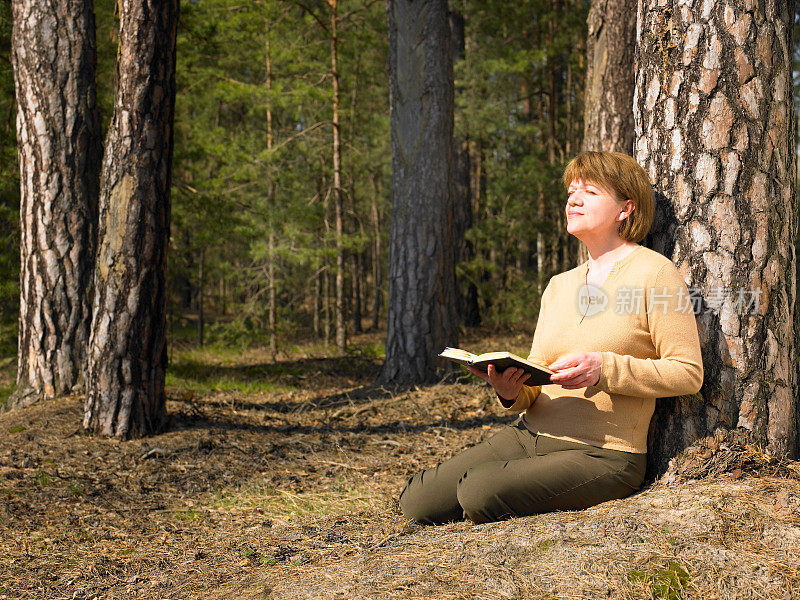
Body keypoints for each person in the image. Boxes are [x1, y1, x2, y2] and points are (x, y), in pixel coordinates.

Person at [398, 151, 703, 525]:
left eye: (589, 192)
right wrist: (509, 389)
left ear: (626, 209)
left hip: (602, 454)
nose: (572, 200)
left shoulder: (656, 274)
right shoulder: (559, 285)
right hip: (529, 435)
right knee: (417, 502)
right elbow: (537, 378)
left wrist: (604, 368)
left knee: (478, 492)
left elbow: (688, 373)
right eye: (571, 192)